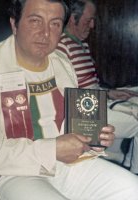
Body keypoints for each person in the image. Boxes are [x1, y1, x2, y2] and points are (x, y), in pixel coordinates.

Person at [0, 0, 138, 199]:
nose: (45, 33)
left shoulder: (62, 63)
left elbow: (75, 127)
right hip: (9, 172)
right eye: (35, 21)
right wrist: (51, 150)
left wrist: (93, 138)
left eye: (54, 23)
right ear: (14, 24)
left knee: (131, 188)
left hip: (63, 164)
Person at [57, 0, 138, 174]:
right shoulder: (61, 47)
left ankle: (119, 159)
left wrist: (110, 93)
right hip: (84, 113)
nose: (92, 25)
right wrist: (118, 104)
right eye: (89, 20)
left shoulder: (81, 45)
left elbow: (89, 85)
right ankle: (134, 173)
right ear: (72, 19)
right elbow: (72, 94)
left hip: (96, 100)